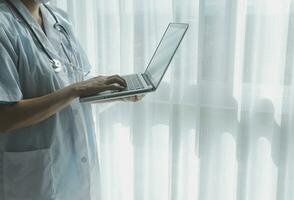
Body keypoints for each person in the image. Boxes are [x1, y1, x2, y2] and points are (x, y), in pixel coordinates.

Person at [0, 0, 142, 199]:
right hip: (33, 178)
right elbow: (4, 116)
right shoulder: (3, 25)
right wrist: (75, 90)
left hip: (74, 166)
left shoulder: (58, 18)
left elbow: (74, 80)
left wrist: (114, 90)